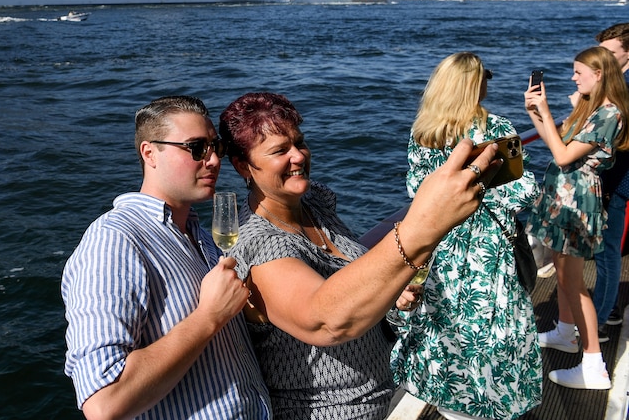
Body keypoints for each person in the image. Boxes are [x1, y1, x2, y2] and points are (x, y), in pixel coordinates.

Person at [218, 91, 502, 420]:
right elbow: (324, 320)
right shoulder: (259, 243)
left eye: (300, 142)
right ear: (243, 166)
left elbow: (353, 283)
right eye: (280, 151)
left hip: (378, 398)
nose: (299, 156)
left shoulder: (313, 205)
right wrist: (424, 225)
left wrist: (389, 293)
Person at [61, 96, 271, 420]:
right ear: (150, 153)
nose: (214, 160)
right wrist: (209, 317)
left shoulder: (200, 236)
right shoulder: (116, 239)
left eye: (216, 147)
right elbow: (104, 403)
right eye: (197, 148)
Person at [392, 52, 542, 420]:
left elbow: (416, 189)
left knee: (446, 331)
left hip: (442, 245)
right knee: (492, 332)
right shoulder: (497, 129)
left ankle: (453, 407)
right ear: (476, 84)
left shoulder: (424, 133)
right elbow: (525, 192)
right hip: (487, 251)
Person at [526, 46, 629, 390]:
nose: (573, 77)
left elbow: (563, 154)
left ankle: (593, 365)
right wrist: (535, 114)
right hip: (562, 196)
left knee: (573, 281)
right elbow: (556, 142)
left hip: (577, 200)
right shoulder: (590, 107)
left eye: (578, 72)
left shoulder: (609, 114)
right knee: (561, 269)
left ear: (599, 75)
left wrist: (545, 109)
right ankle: (566, 333)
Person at [594, 23, 629, 336]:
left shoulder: (623, 88)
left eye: (609, 53)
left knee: (607, 253)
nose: (601, 59)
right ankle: (608, 311)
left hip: (618, 181)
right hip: (616, 180)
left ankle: (601, 320)